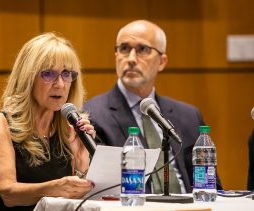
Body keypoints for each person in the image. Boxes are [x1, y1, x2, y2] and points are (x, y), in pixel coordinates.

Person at [83, 20, 222, 193]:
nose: (131, 59)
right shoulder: (92, 115)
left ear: (162, 62)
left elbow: (211, 185)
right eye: (124, 49)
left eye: (143, 49)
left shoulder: (189, 115)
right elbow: (100, 189)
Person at [0, 32, 95, 210]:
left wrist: (81, 160)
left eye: (66, 74)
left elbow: (73, 199)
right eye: (48, 74)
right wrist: (54, 188)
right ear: (28, 78)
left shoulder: (70, 128)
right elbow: (8, 194)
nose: (60, 84)